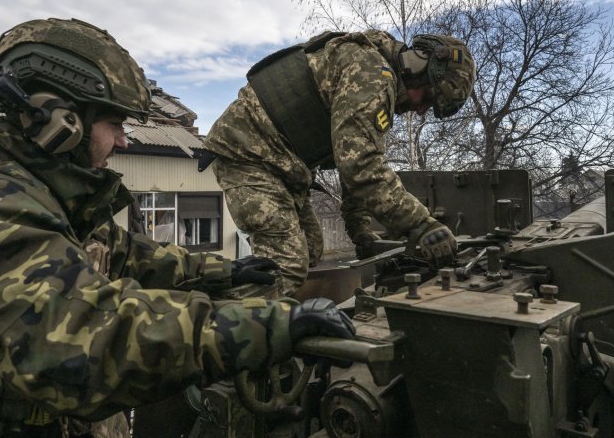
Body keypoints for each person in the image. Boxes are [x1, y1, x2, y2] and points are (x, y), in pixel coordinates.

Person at [0, 18, 355, 438]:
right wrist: (265, 325)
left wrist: (223, 271)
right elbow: (81, 341)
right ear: (58, 120)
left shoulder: (42, 199)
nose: (123, 140)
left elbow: (122, 250)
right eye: (113, 122)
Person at [202, 30, 476, 295]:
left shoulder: (375, 73)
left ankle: (214, 287)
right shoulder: (371, 76)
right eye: (427, 97)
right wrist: (422, 225)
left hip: (278, 163)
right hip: (248, 154)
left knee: (309, 248)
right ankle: (213, 327)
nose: (419, 109)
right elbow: (361, 168)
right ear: (418, 66)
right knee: (285, 266)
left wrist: (361, 234)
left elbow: (351, 165)